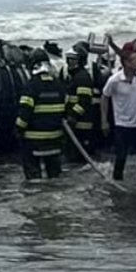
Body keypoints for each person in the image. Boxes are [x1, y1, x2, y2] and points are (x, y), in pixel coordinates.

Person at [102, 49, 136, 182]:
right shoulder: (114, 80)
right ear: (126, 63)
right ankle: (117, 182)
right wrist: (104, 121)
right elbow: (105, 97)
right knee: (121, 157)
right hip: (122, 125)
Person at [15, 48, 68, 180]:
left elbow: (24, 113)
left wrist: (18, 129)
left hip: (33, 140)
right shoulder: (59, 85)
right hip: (55, 139)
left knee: (34, 179)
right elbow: (66, 109)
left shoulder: (31, 85)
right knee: (55, 176)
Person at [63, 43, 95, 159]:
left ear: (80, 60)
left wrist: (73, 116)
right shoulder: (73, 76)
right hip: (74, 124)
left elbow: (84, 101)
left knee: (79, 157)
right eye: (68, 59)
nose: (69, 62)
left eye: (73, 59)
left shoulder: (82, 77)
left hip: (82, 124)